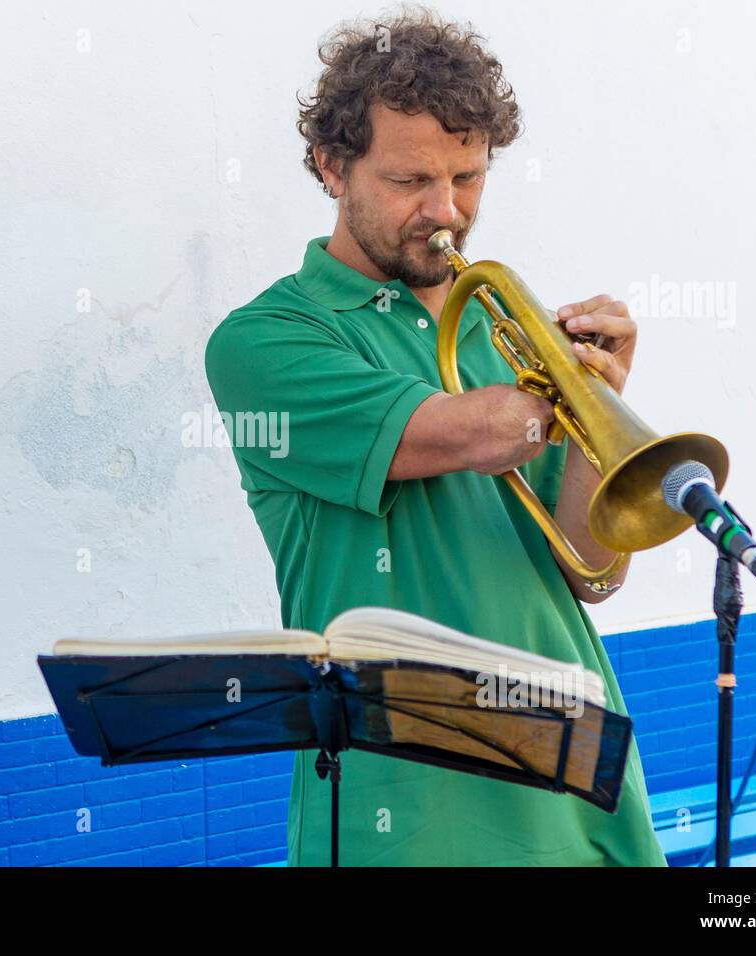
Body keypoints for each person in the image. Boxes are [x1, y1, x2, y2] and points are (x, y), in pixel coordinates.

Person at [203, 7, 667, 866]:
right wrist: (563, 392)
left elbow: (592, 569)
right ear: (330, 165)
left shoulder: (503, 334)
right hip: (409, 802)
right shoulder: (265, 341)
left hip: (578, 766)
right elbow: (460, 433)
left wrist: (605, 406)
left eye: (469, 177)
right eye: (410, 179)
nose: (445, 210)